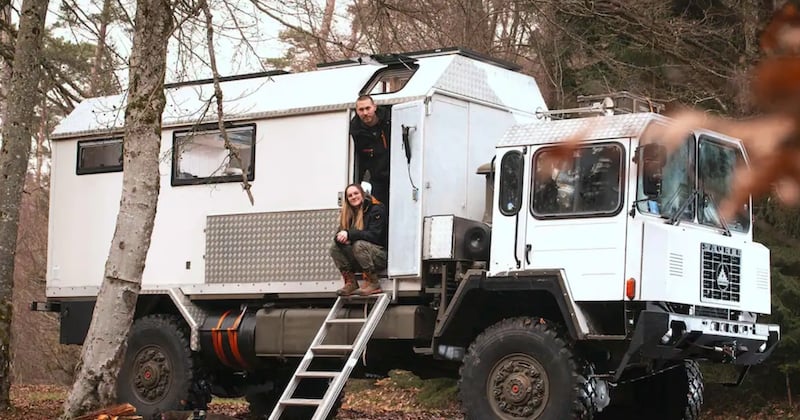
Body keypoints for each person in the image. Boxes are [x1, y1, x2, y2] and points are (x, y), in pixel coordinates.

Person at [329, 183, 387, 296]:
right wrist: (341, 239)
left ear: (362, 194)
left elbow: (375, 236)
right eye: (350, 195)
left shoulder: (376, 209)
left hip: (379, 256)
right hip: (360, 258)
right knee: (334, 248)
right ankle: (351, 282)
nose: (353, 197)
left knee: (359, 245)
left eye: (356, 193)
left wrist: (350, 234)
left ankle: (373, 282)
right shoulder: (348, 215)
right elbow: (338, 236)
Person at [350, 95, 391, 205]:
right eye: (361, 110)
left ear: (375, 107)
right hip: (377, 178)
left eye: (368, 108)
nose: (365, 113)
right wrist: (357, 185)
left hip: (396, 173)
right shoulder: (355, 130)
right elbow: (360, 159)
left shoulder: (389, 118)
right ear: (357, 111)